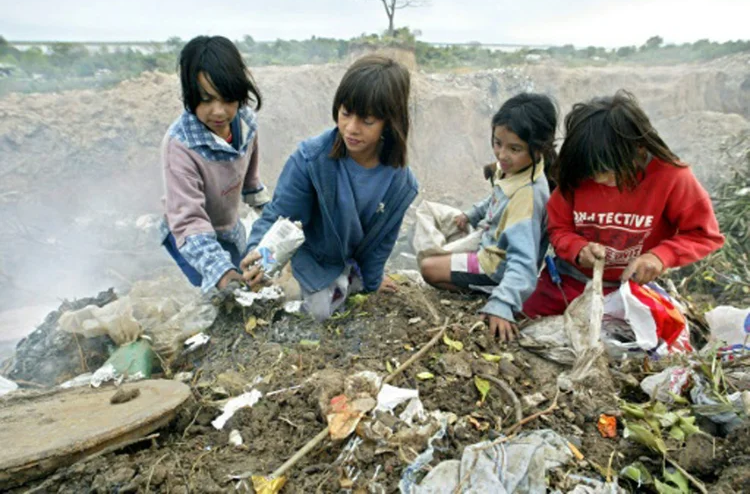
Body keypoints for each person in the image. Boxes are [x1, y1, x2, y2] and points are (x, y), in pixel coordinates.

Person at [241, 55, 418, 321]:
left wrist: (373, 281)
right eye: (345, 113)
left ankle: (351, 278)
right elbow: (280, 215)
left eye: (367, 121)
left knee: (357, 295)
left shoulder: (400, 183)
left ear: (390, 122)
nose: (351, 128)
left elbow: (381, 242)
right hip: (316, 258)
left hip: (350, 259)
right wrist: (258, 254)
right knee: (319, 313)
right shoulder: (311, 161)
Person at [523, 90, 725, 317]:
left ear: (638, 148)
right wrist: (578, 249)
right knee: (522, 321)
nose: (598, 179)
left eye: (607, 171)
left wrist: (659, 257)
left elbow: (704, 234)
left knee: (647, 343)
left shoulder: (671, 177)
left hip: (633, 292)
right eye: (591, 172)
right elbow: (558, 228)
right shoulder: (578, 172)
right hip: (568, 282)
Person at [420, 93, 557, 341]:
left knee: (429, 267)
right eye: (497, 143)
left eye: (514, 148)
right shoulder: (518, 169)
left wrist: (503, 303)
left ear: (539, 149)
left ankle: (491, 289)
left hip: (495, 265)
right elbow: (496, 197)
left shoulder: (527, 196)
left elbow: (524, 262)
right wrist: (472, 214)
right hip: (489, 242)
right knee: (438, 231)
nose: (502, 155)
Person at [159, 35, 270, 293]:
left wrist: (274, 219)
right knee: (218, 292)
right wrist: (221, 272)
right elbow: (189, 221)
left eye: (227, 98)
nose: (218, 112)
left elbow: (251, 184)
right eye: (206, 99)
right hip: (188, 234)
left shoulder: (246, 124)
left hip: (227, 228)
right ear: (190, 95)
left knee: (249, 280)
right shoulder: (180, 146)